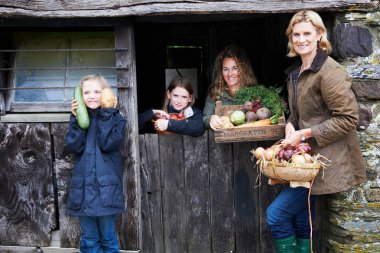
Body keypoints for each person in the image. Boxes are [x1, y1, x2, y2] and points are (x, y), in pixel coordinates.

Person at [266, 10, 366, 253]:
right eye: (296, 34)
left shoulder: (329, 72)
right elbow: (300, 114)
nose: (301, 39)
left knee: (276, 215)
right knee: (302, 221)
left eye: (307, 33)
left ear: (320, 34)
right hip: (305, 162)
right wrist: (290, 124)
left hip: (324, 160)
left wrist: (304, 134)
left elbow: (348, 118)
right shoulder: (297, 71)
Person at [66, 74, 126, 252]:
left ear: (107, 94)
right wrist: (76, 120)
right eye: (86, 92)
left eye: (97, 91)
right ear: (79, 96)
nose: (92, 96)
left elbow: (108, 144)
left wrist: (108, 114)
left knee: (108, 239)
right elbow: (75, 147)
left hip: (106, 192)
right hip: (83, 192)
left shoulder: (117, 120)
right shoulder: (79, 120)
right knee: (90, 240)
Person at [203, 44, 258, 129]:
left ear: (243, 69)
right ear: (221, 71)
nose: (230, 74)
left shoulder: (254, 93)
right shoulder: (215, 93)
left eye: (234, 68)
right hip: (222, 141)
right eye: (225, 69)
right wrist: (211, 119)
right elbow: (205, 118)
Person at [138, 76, 205, 137]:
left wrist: (168, 124)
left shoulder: (195, 113)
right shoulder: (160, 114)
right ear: (169, 94)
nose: (179, 101)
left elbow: (199, 128)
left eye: (184, 97)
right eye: (175, 95)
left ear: (190, 98)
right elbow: (134, 123)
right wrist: (153, 112)